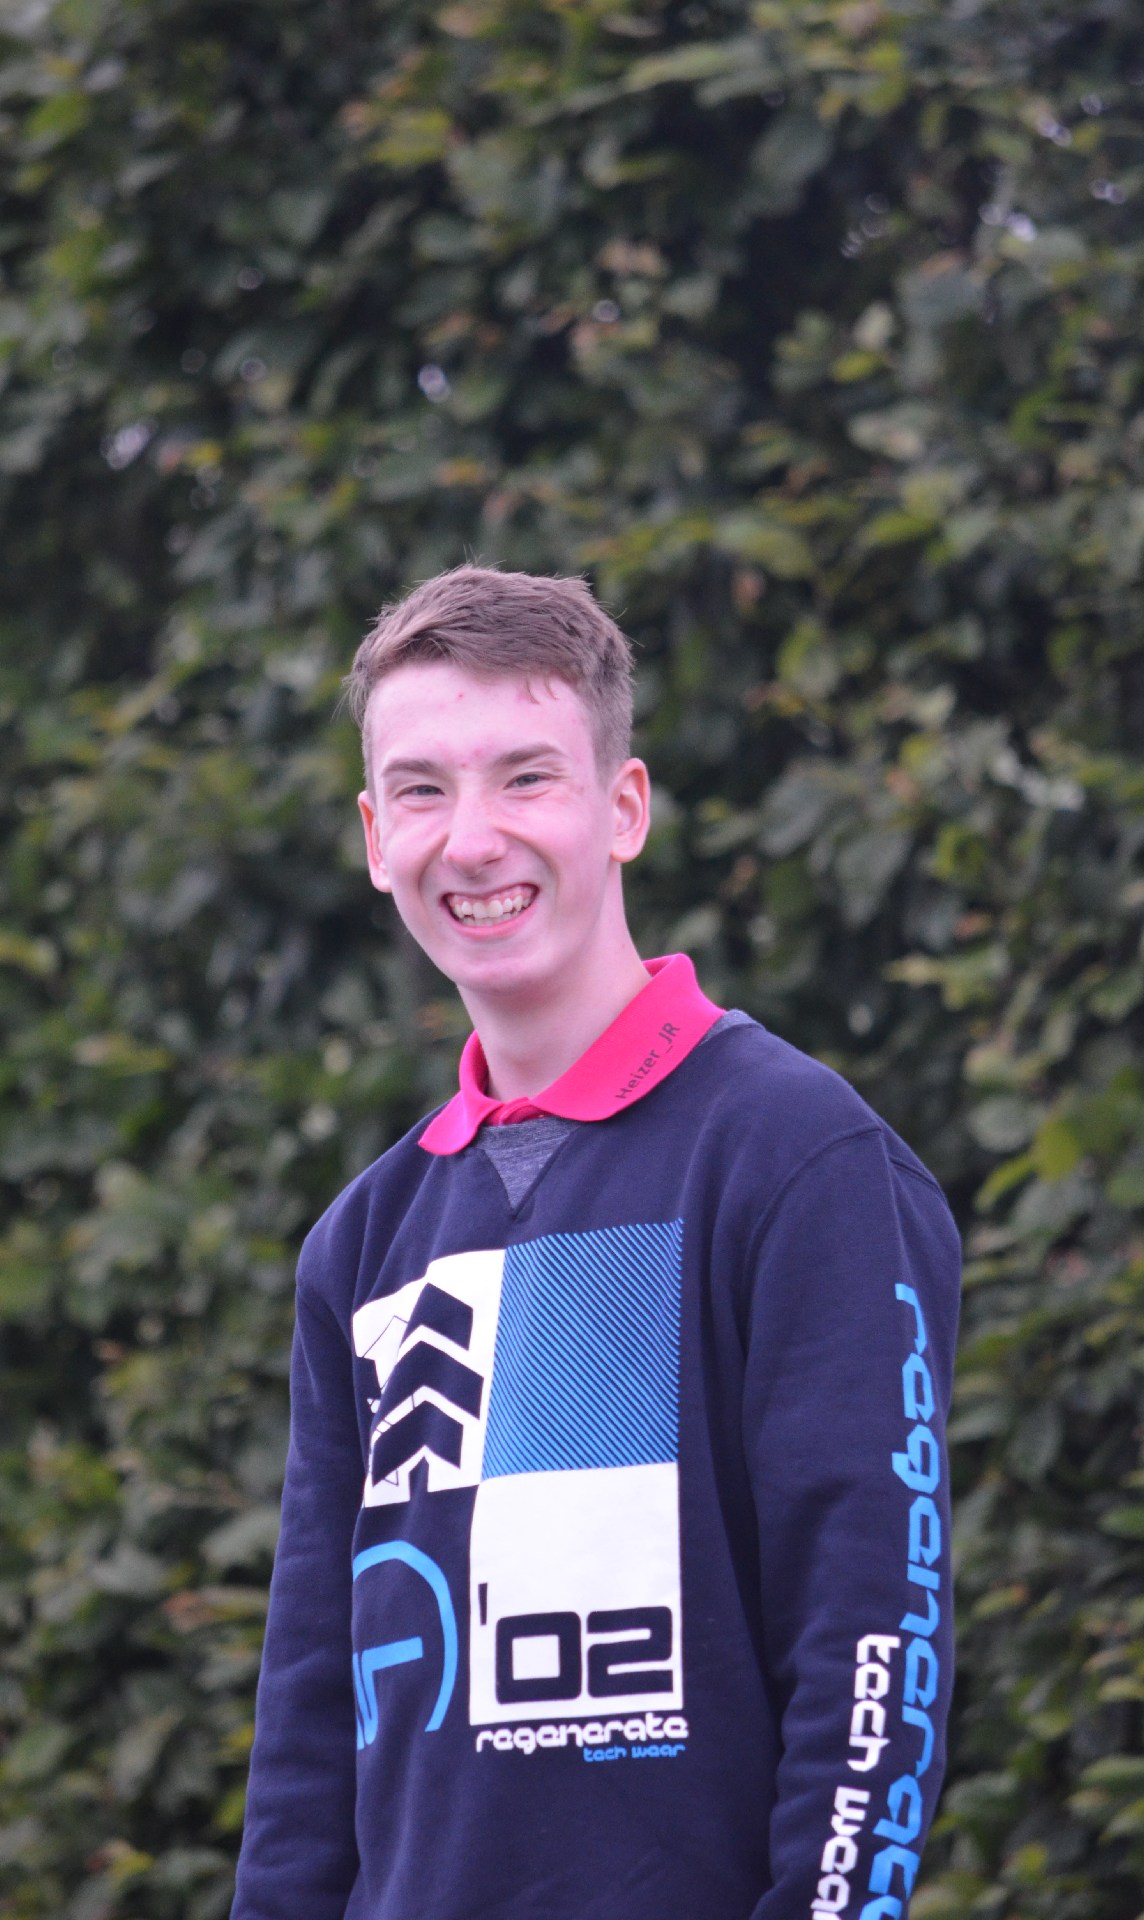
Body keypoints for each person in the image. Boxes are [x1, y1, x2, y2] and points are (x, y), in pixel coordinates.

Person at [230, 566, 960, 1920]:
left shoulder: (796, 1161)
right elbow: (310, 1728)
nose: (473, 840)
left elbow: (873, 1649)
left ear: (623, 809)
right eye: (422, 791)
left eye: (527, 777)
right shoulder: (364, 1245)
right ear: (375, 836)